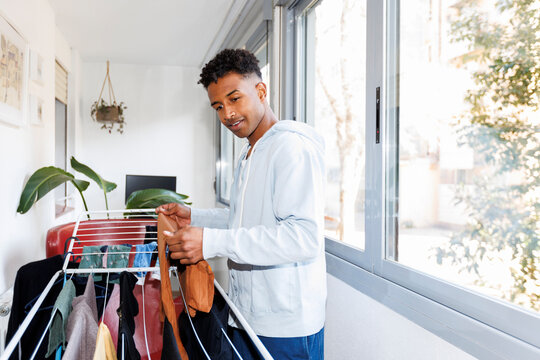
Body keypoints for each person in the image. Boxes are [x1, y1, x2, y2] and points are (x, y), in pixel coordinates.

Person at [156, 48, 326, 360]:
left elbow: (304, 237)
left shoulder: (290, 148)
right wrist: (193, 216)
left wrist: (212, 241)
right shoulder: (248, 155)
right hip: (246, 314)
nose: (227, 114)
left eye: (235, 99)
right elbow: (242, 220)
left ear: (261, 91)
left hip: (286, 326)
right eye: (218, 106)